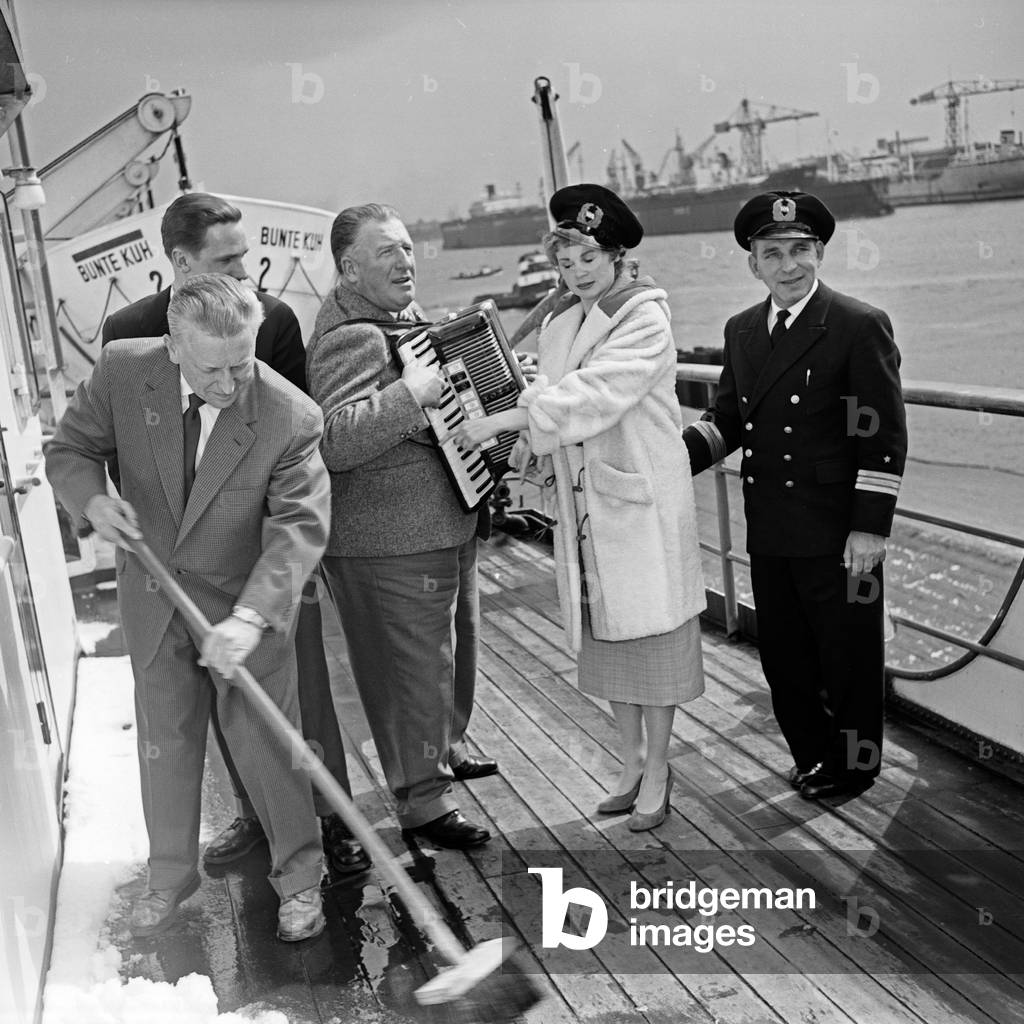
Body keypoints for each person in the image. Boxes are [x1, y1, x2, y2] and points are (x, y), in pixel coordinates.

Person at [46, 274, 330, 940]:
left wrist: (249, 618)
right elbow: (70, 450)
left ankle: (299, 881)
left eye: (242, 364)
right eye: (212, 370)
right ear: (173, 347)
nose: (229, 385)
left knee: (268, 744)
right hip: (152, 593)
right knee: (165, 743)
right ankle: (169, 876)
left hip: (243, 601)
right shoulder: (123, 370)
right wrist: (92, 500)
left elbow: (298, 528)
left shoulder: (290, 416)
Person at [102, 192, 367, 878]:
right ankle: (256, 818)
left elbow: (295, 437)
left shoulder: (271, 318)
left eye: (244, 255)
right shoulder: (127, 335)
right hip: (181, 562)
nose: (245, 270)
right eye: (227, 260)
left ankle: (330, 820)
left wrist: (261, 586)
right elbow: (125, 450)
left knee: (301, 693)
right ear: (181, 262)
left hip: (265, 552)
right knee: (221, 700)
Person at [451, 184, 706, 832]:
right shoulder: (563, 320)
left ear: (618, 256)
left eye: (589, 257)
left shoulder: (645, 318)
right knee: (607, 641)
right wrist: (526, 420)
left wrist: (503, 421)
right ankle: (630, 763)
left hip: (641, 507)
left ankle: (659, 770)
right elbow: (550, 390)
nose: (577, 271)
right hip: (590, 508)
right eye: (566, 261)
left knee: (653, 644)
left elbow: (592, 395)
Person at [683, 190, 907, 801]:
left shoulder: (858, 324)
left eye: (801, 250)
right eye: (774, 254)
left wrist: (871, 526)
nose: (790, 266)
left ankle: (854, 768)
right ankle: (812, 756)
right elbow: (729, 419)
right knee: (785, 658)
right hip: (772, 525)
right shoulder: (742, 330)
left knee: (849, 656)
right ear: (753, 263)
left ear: (820, 254)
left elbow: (882, 435)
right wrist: (670, 459)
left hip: (838, 529)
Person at [305, 203, 495, 850]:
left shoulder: (403, 318)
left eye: (408, 248)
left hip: (443, 521)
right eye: (386, 251)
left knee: (451, 656)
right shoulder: (352, 338)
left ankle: (447, 747)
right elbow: (334, 440)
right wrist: (411, 394)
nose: (405, 261)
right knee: (411, 672)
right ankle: (423, 801)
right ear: (349, 269)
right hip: (388, 539)